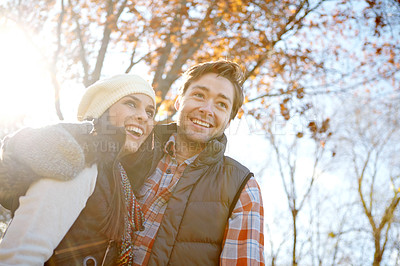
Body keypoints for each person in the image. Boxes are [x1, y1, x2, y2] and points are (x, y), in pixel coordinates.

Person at [0, 74, 156, 265]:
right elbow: (20, 256)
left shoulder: (115, 175)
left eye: (150, 112)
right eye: (131, 104)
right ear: (103, 109)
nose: (143, 117)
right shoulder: (78, 160)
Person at [121, 60, 265, 265]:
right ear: (179, 101)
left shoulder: (241, 188)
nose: (207, 109)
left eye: (221, 104)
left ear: (228, 121)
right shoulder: (132, 147)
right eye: (199, 95)